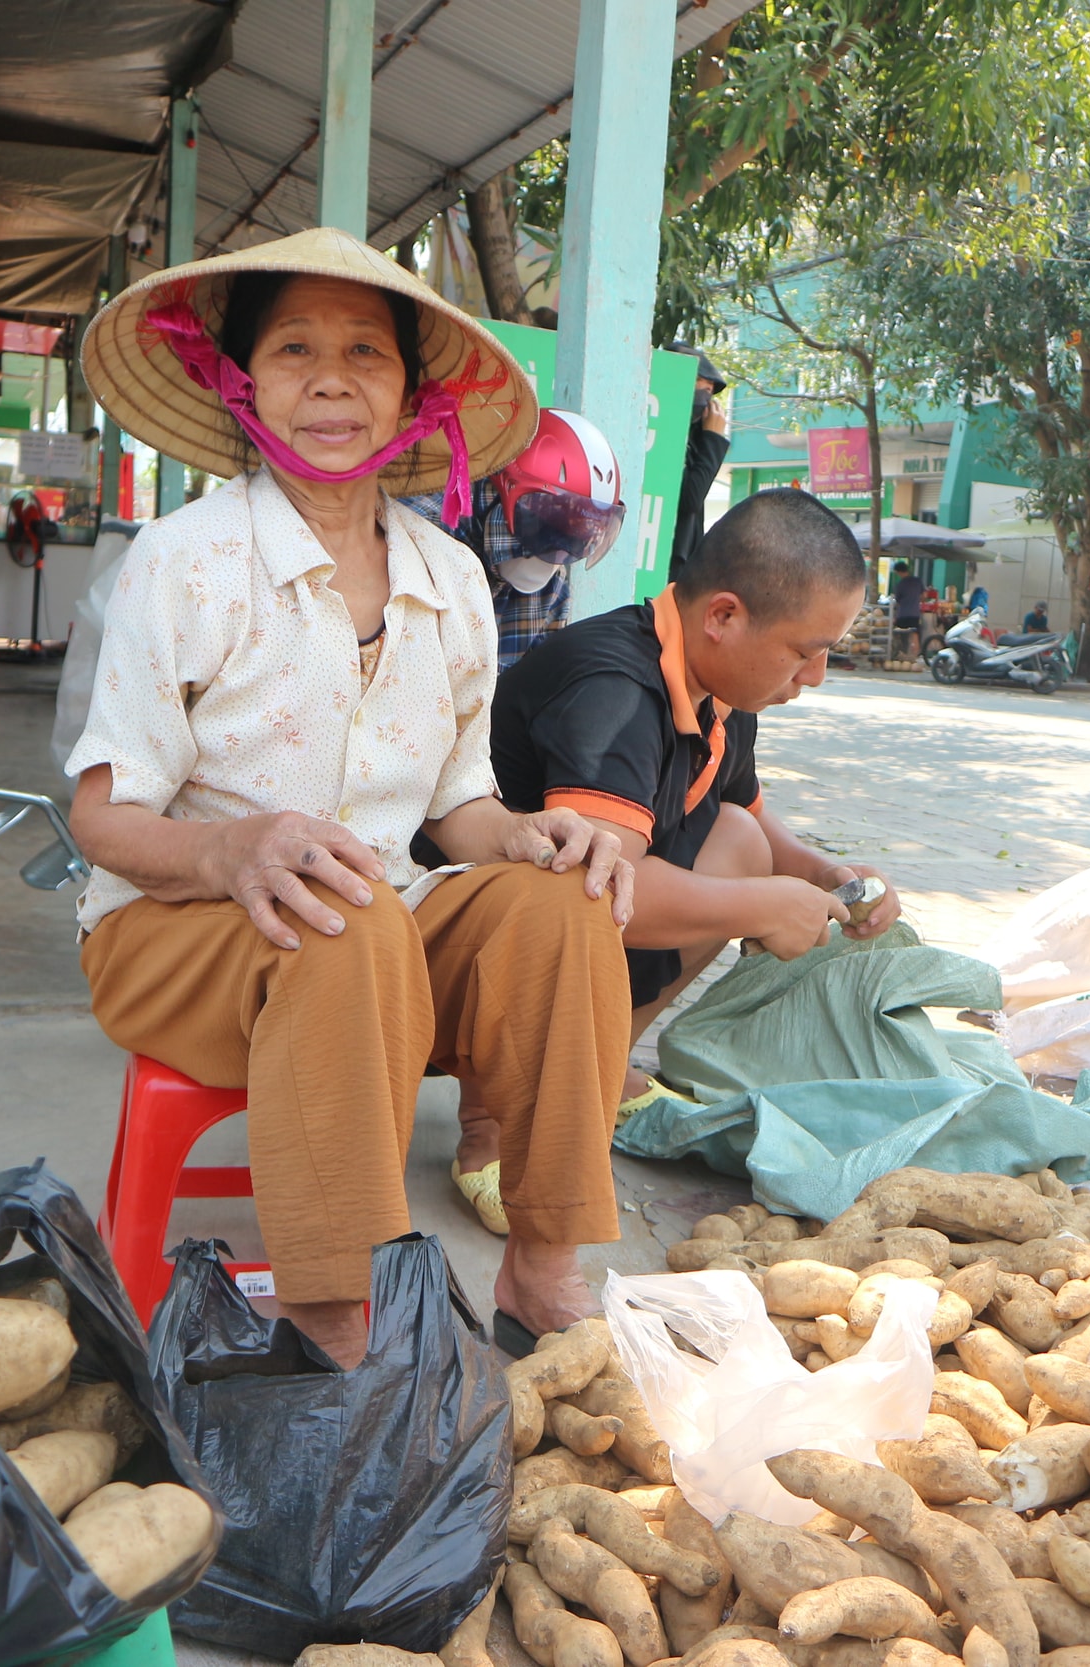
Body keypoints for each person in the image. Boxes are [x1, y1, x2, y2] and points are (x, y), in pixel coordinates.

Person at [66, 227, 635, 1366]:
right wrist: (231, 850)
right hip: (180, 930)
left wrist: (534, 834)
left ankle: (543, 1266)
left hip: (380, 928)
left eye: (365, 352)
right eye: (293, 349)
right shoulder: (185, 561)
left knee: (564, 908)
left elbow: (459, 806)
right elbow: (102, 816)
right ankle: (335, 1319)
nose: (331, 380)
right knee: (344, 915)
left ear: (415, 397)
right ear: (240, 382)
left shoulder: (452, 578)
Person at [463, 487, 906, 1182]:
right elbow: (594, 887)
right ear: (723, 616)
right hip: (477, 940)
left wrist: (823, 874)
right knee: (703, 888)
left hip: (572, 927)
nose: (816, 677)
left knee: (742, 843)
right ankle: (489, 1126)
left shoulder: (726, 689)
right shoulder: (613, 689)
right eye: (805, 651)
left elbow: (750, 816)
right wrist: (765, 907)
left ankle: (604, 1070)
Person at [406, 407, 626, 669]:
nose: (557, 551)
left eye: (574, 539)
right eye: (549, 528)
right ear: (506, 488)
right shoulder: (424, 535)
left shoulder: (552, 593)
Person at [667, 345, 732, 583]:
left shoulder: (693, 437)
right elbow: (690, 498)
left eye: (709, 391)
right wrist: (712, 441)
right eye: (697, 382)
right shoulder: (663, 430)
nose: (706, 397)